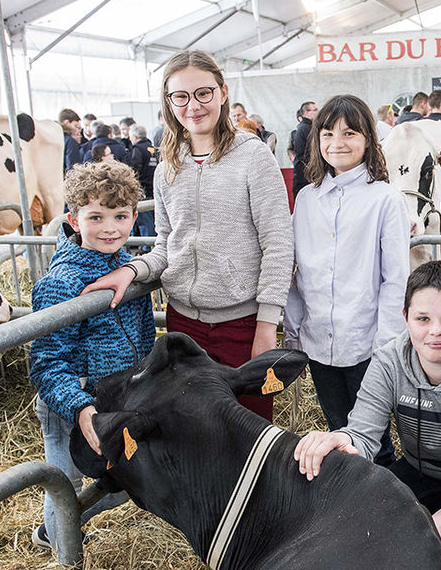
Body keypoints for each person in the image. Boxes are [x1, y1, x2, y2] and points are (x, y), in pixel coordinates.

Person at [80, 49, 293, 422]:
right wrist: (132, 270)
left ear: (222, 93)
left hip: (242, 325)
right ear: (168, 103)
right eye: (181, 96)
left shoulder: (254, 157)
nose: (193, 105)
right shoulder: (167, 167)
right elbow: (166, 243)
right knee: (195, 431)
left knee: (249, 427)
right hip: (183, 325)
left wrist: (266, 325)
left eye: (203, 93)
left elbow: (277, 243)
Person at [294, 261, 441, 570]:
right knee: (359, 521)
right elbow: (364, 436)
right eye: (423, 319)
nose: (435, 331)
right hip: (419, 470)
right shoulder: (387, 362)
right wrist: (343, 439)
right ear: (406, 319)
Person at [28, 159, 154, 551]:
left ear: (134, 216)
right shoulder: (61, 283)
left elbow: (145, 335)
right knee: (64, 485)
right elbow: (46, 363)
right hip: (70, 405)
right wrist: (81, 408)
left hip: (113, 396)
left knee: (117, 484)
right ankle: (60, 545)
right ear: (73, 219)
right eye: (95, 217)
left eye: (120, 216)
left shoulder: (129, 270)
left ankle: (60, 528)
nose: (110, 228)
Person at [285, 93, 409, 467]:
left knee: (372, 436)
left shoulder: (385, 199)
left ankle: (385, 504)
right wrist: (294, 330)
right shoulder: (307, 198)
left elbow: (395, 277)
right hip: (318, 339)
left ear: (368, 139)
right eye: (327, 134)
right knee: (336, 429)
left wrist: (386, 342)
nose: (337, 143)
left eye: (349, 133)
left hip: (365, 341)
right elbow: (296, 272)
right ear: (316, 140)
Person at [128, 124, 156, 239]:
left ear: (134, 136)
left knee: (145, 220)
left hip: (143, 189)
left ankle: (147, 247)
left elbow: (135, 169)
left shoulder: (137, 150)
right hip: (154, 187)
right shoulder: (153, 148)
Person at [291, 100, 318, 197]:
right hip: (304, 175)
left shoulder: (309, 127)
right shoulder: (304, 128)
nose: (318, 112)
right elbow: (302, 153)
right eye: (315, 110)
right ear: (306, 113)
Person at [58, 108, 82, 173]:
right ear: (67, 122)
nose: (77, 130)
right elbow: (73, 168)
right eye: (75, 126)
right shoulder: (70, 141)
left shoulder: (56, 138)